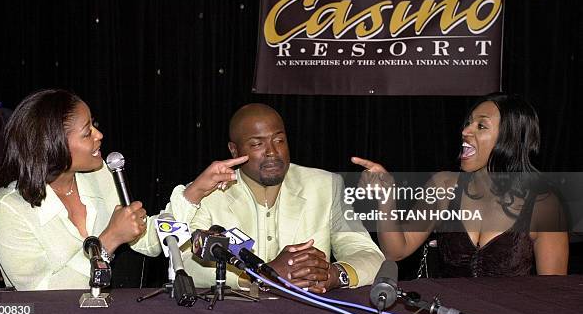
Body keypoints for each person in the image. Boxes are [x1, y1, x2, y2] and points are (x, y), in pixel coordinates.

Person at [0, 89, 246, 290]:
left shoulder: (99, 175)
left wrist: (196, 191)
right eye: (87, 132)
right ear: (53, 145)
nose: (99, 135)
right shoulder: (6, 210)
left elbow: (147, 241)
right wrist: (108, 241)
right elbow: (42, 294)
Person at [352, 92, 568, 277]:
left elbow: (551, 293)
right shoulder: (444, 185)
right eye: (468, 123)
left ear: (510, 139)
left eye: (481, 125)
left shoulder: (543, 204)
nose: (465, 131)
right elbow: (395, 251)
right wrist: (386, 199)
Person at [181, 103, 384, 293]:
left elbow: (370, 255)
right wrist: (258, 274)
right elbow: (186, 264)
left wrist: (333, 274)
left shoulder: (325, 186)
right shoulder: (209, 192)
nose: (272, 152)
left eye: (279, 140)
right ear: (234, 150)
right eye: (257, 144)